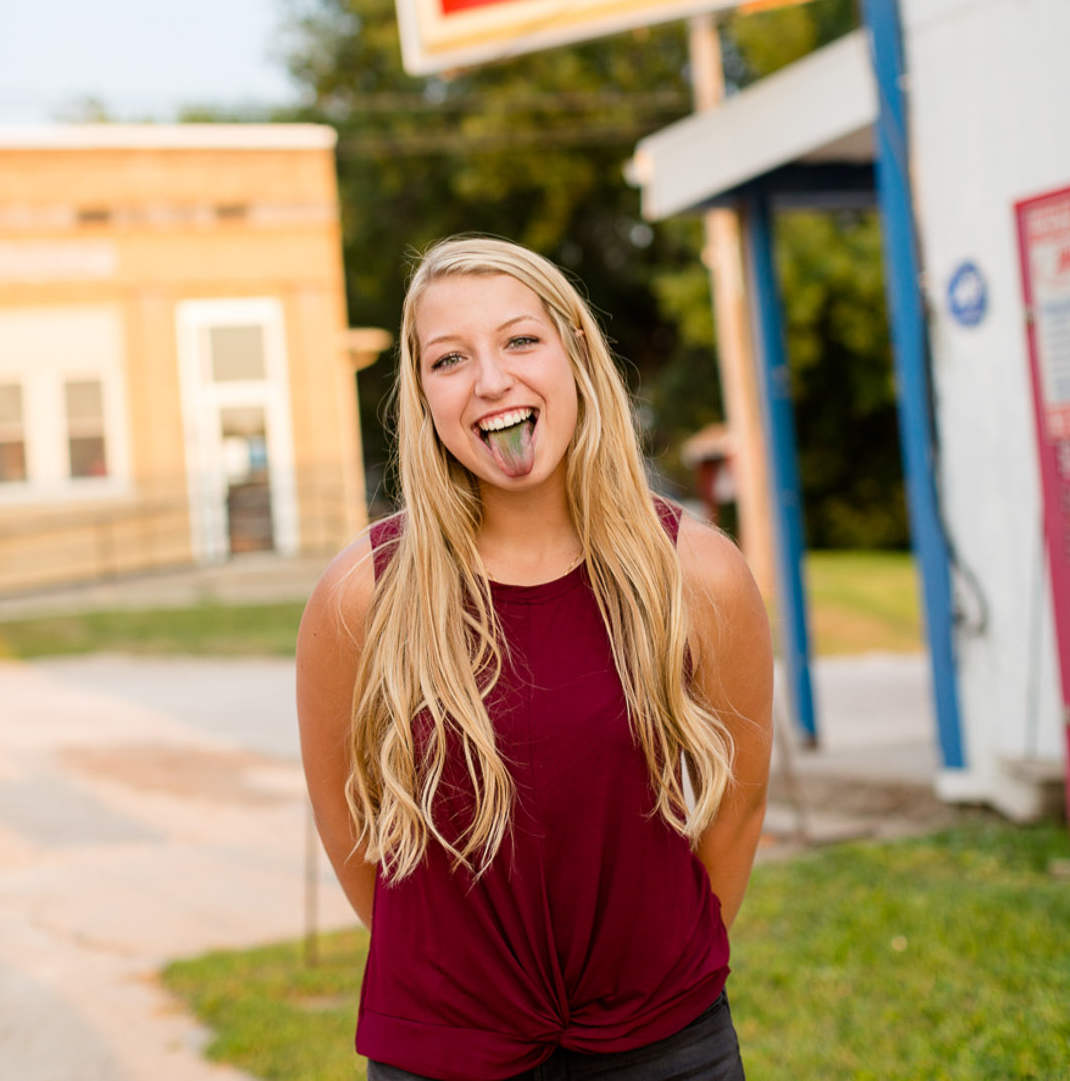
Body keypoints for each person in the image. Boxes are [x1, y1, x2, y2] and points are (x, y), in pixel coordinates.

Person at [297, 236, 772, 1081]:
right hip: (446, 1052)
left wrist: (656, 978)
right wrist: (467, 991)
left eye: (520, 340)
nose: (490, 380)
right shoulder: (363, 595)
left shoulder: (697, 573)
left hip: (667, 1043)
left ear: (576, 353)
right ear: (423, 395)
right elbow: (348, 826)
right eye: (450, 358)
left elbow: (735, 808)